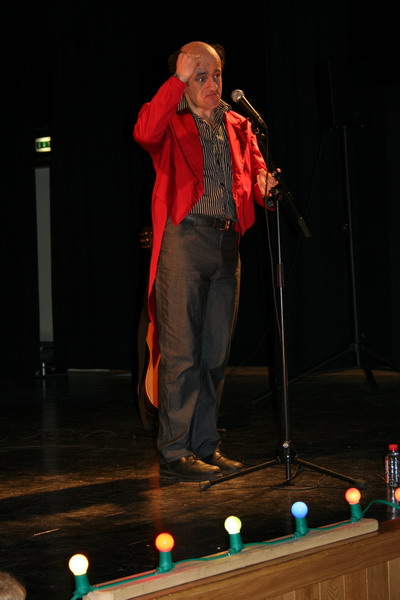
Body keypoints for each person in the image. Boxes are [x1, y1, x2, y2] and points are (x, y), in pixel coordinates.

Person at [133, 41, 278, 482]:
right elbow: (143, 132)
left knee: (215, 353)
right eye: (201, 76)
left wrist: (264, 188)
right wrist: (177, 78)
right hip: (184, 239)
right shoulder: (170, 121)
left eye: (216, 75)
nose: (213, 83)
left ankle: (205, 445)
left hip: (226, 242)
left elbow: (254, 176)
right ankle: (175, 451)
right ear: (183, 81)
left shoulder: (238, 125)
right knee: (181, 354)